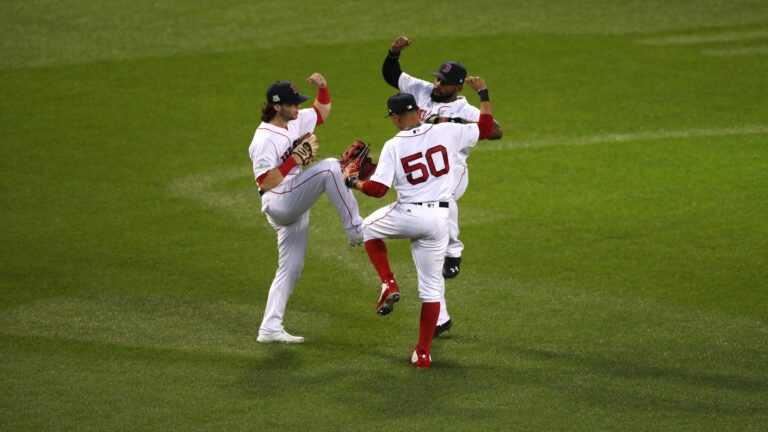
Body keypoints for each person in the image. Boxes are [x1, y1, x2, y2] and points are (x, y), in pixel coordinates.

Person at [344, 82, 495, 368]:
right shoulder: (446, 130)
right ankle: (422, 353)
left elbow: (377, 190)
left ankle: (388, 282)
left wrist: (353, 181)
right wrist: (483, 95)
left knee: (364, 229)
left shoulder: (394, 144)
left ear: (397, 117)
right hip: (439, 221)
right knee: (431, 290)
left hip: (408, 215)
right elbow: (487, 128)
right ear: (417, 110)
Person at [382, 36, 503, 338]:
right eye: (437, 78)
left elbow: (496, 131)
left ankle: (454, 250)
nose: (437, 84)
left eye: (444, 82)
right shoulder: (422, 90)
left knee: (442, 197)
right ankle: (441, 318)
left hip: (453, 169)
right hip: (422, 171)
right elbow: (391, 75)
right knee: (426, 248)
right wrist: (394, 52)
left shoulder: (466, 108)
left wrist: (462, 116)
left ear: (458, 87)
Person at [248, 74, 364, 344]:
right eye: (293, 104)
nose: (299, 107)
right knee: (330, 167)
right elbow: (265, 182)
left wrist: (323, 88)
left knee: (292, 267)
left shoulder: (295, 119)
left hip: (294, 199)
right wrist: (293, 161)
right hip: (278, 199)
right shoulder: (264, 139)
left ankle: (270, 328)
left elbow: (321, 113)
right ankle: (355, 228)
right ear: (277, 106)